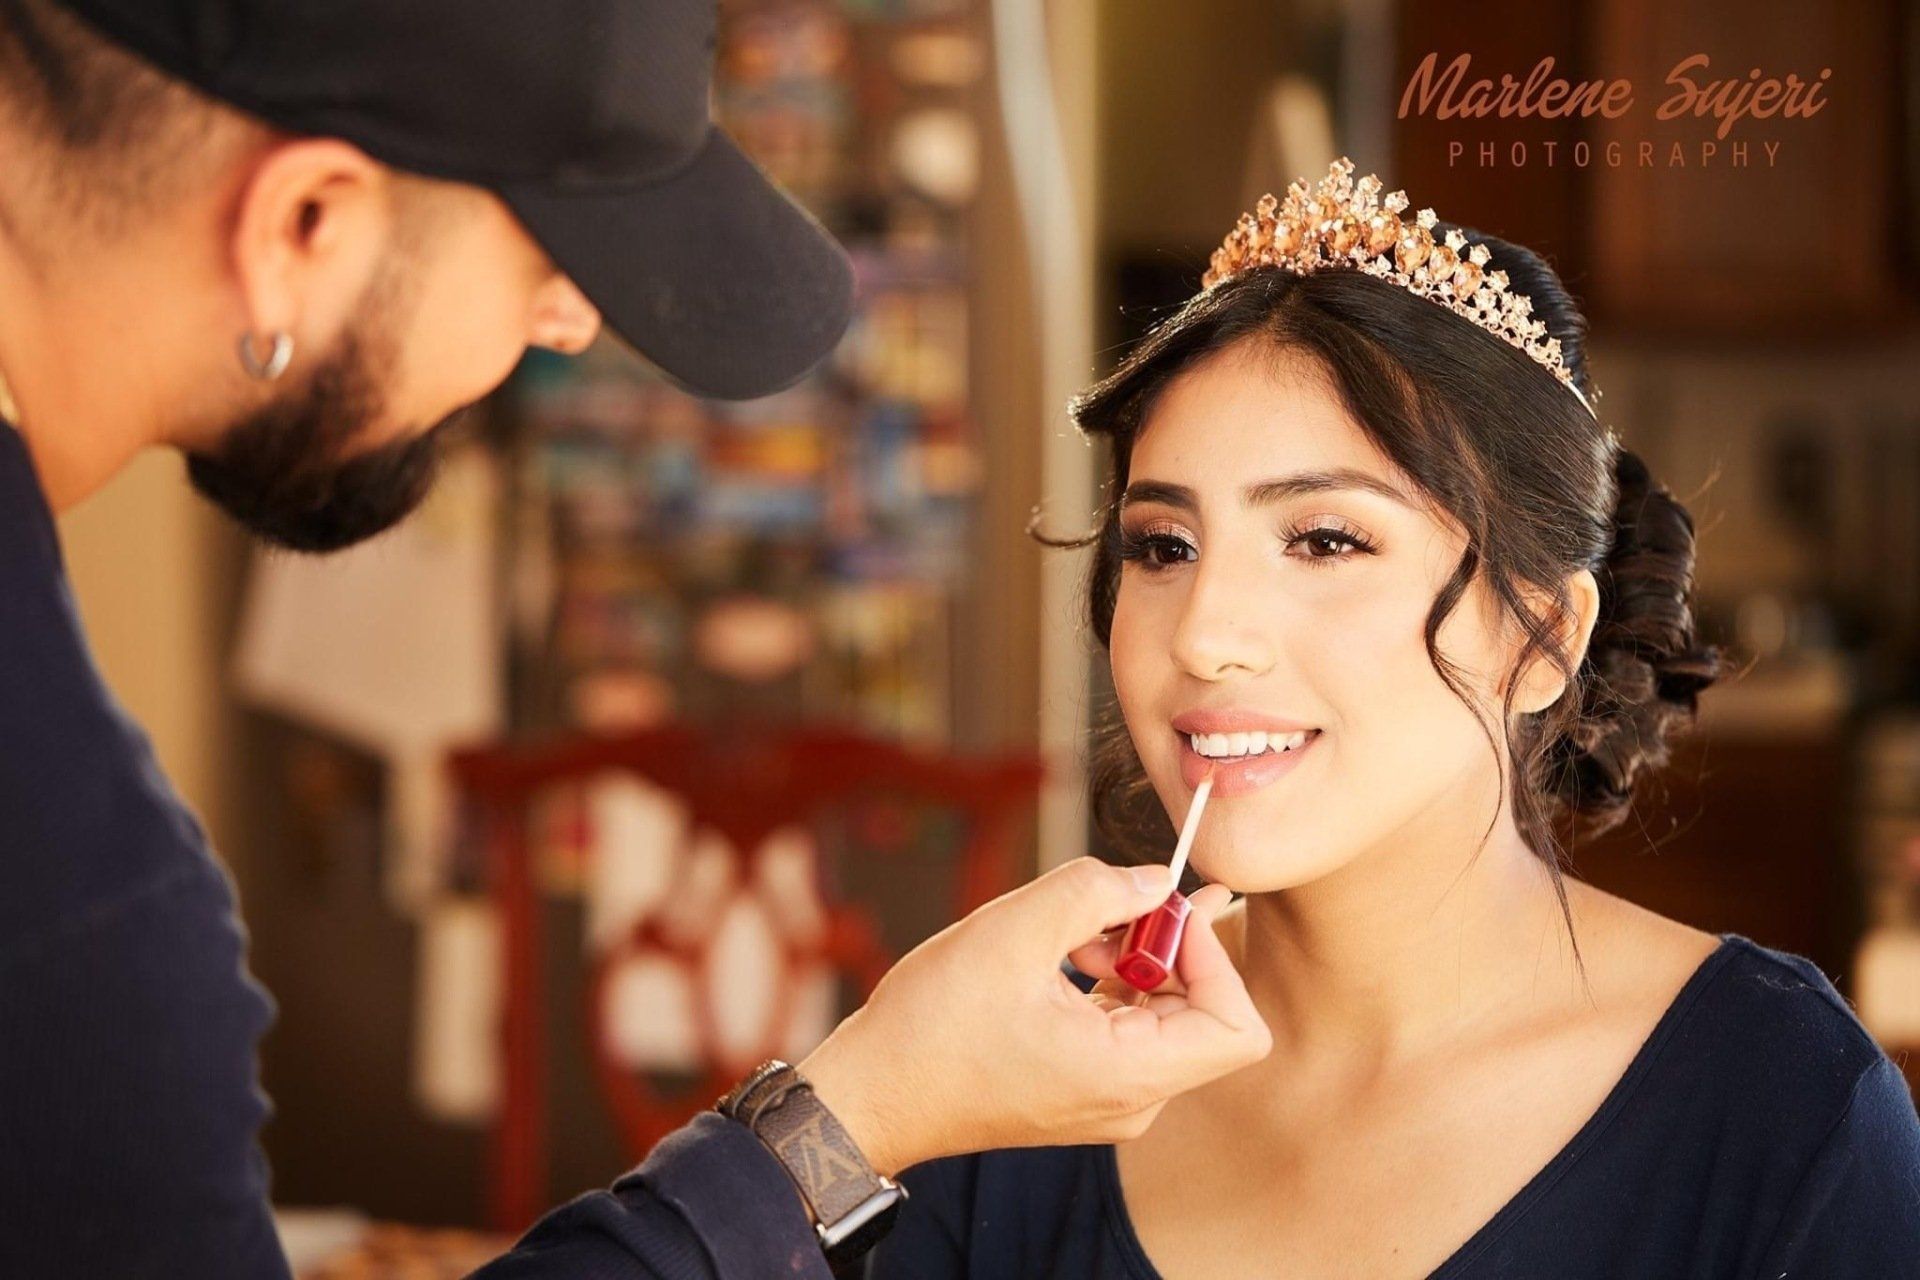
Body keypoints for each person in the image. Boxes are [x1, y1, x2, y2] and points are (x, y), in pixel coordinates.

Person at [0, 1, 1272, 1277]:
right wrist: (868, 1111)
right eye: (553, 254)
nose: (570, 326)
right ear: (306, 225)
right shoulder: (68, 887)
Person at [863, 158, 1920, 1278]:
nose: (1204, 634)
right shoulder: (1025, 1081)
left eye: (1325, 540)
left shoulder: (1785, 1107)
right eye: (1163, 547)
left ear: (1543, 636)